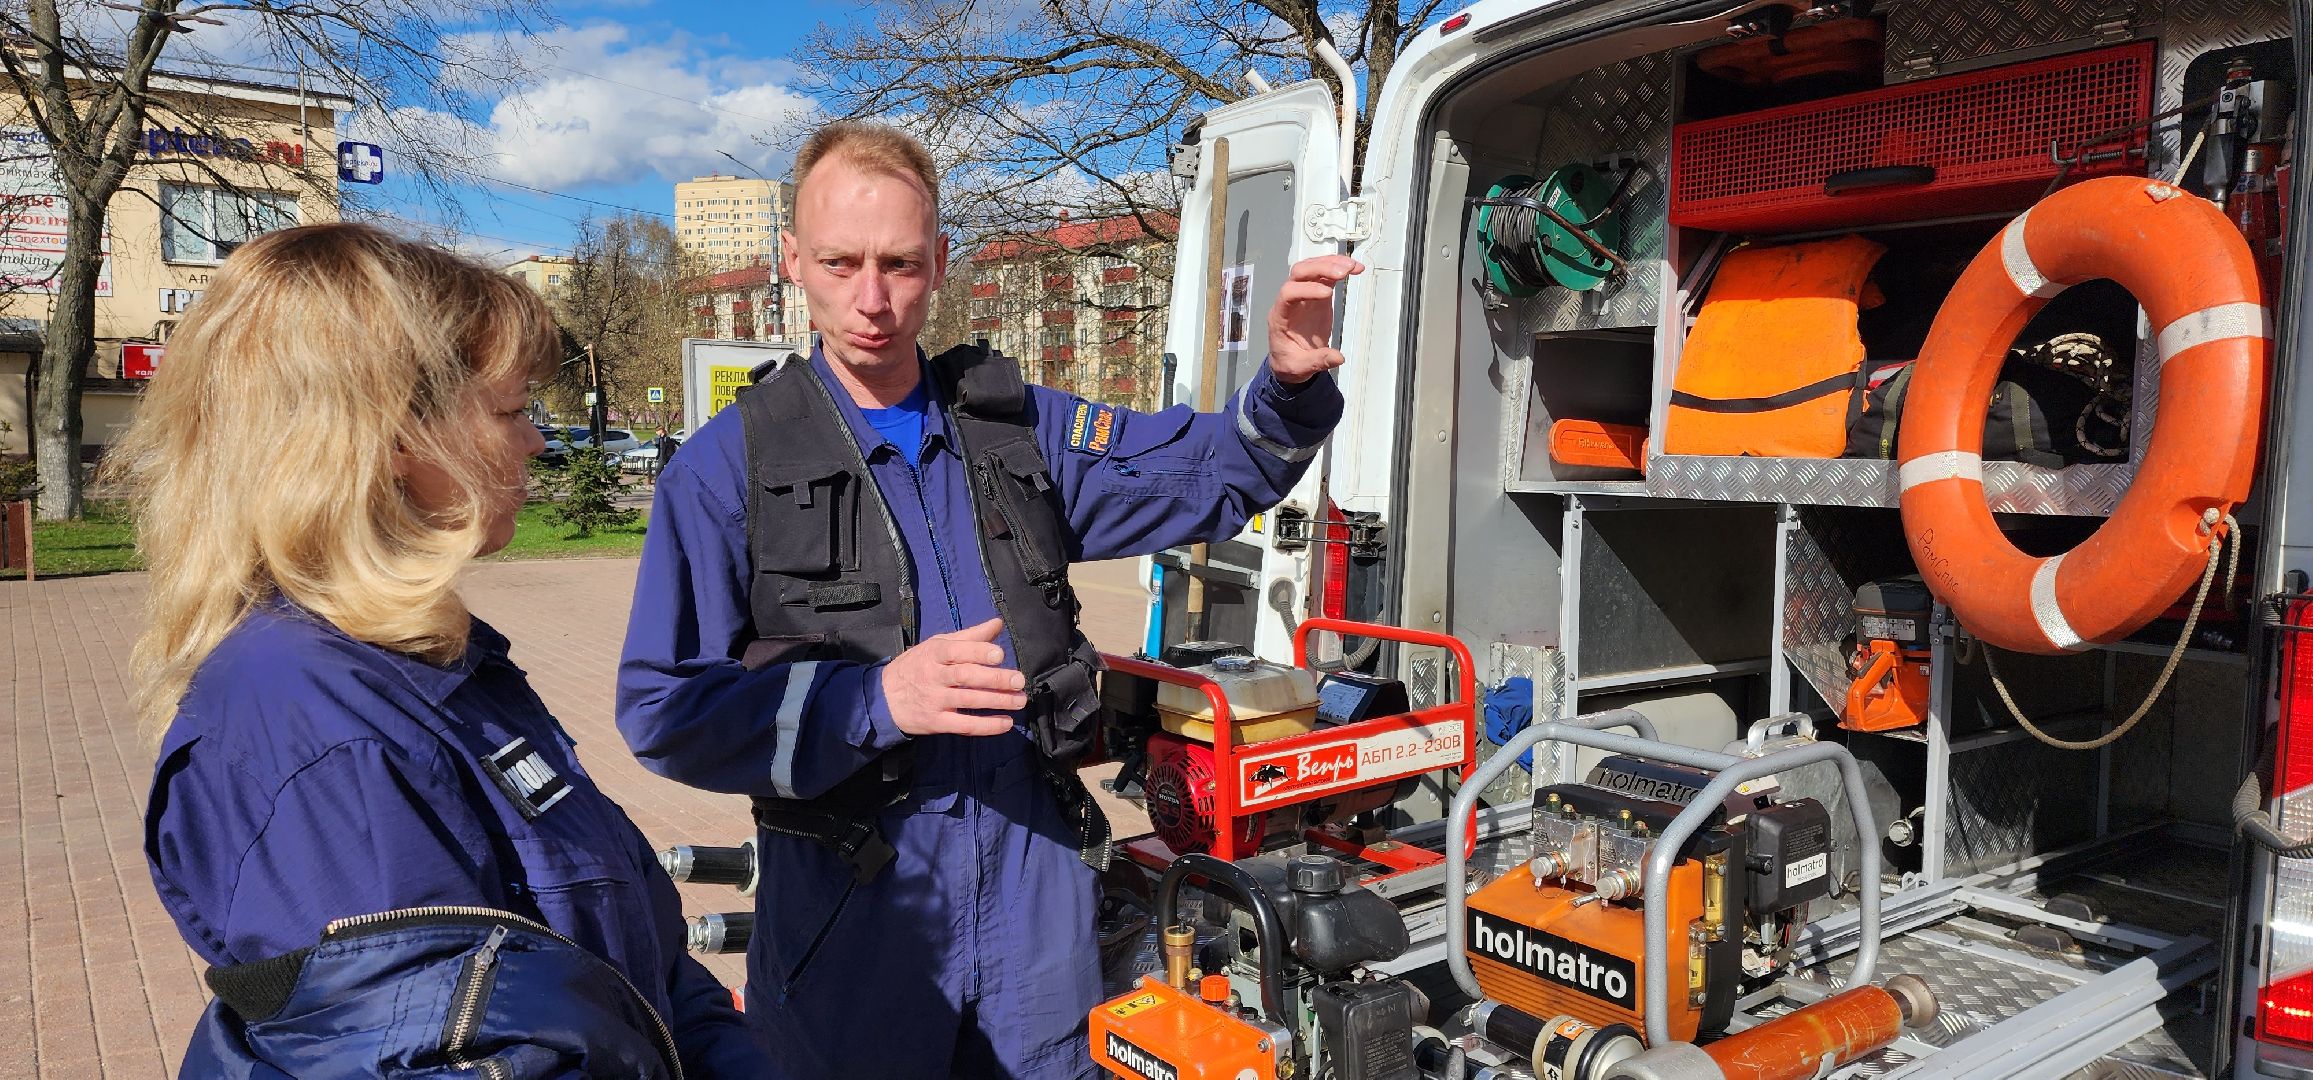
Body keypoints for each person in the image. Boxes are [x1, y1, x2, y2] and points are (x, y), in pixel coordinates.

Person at [617, 120, 1361, 1078]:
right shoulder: (726, 470)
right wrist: (869, 703)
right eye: (841, 264)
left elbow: (1213, 474)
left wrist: (1287, 388)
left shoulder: (1019, 432)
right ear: (792, 261)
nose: (873, 301)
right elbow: (660, 710)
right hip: (855, 920)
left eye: (901, 263)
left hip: (1036, 897)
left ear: (941, 260)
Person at [117, 223, 767, 1078]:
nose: (535, 439)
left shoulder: (427, 665)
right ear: (389, 437)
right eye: (511, 410)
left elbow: (639, 971)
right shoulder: (313, 726)